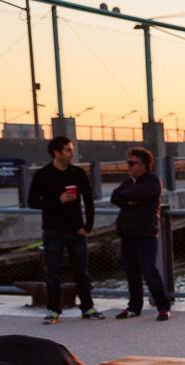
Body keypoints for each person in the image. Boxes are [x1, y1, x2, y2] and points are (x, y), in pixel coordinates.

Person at [27, 136, 105, 324]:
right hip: (53, 231)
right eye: (68, 150)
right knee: (52, 272)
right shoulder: (43, 175)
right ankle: (53, 310)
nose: (72, 154)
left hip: (76, 231)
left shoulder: (77, 173)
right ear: (57, 153)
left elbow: (88, 200)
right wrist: (57, 200)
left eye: (71, 150)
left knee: (82, 272)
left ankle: (87, 307)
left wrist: (88, 226)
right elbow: (32, 202)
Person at [110, 146, 171, 321]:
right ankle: (134, 307)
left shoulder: (152, 181)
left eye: (132, 163)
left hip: (146, 234)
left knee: (149, 271)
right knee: (132, 273)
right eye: (128, 162)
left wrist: (128, 199)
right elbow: (115, 197)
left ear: (143, 165)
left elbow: (140, 194)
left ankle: (163, 307)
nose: (128, 166)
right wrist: (130, 199)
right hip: (127, 234)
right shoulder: (128, 181)